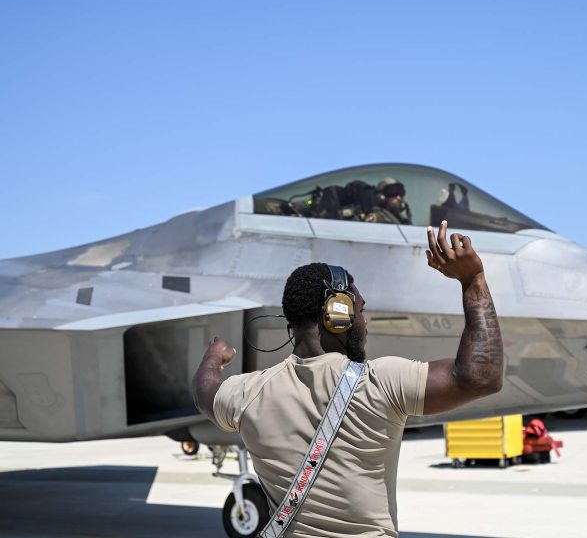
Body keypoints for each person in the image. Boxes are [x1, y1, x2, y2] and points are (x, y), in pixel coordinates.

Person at [192, 220, 502, 537]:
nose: (364, 322)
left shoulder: (247, 394)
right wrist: (472, 279)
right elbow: (481, 377)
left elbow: (205, 392)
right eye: (359, 310)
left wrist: (214, 356)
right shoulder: (382, 383)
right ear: (336, 314)